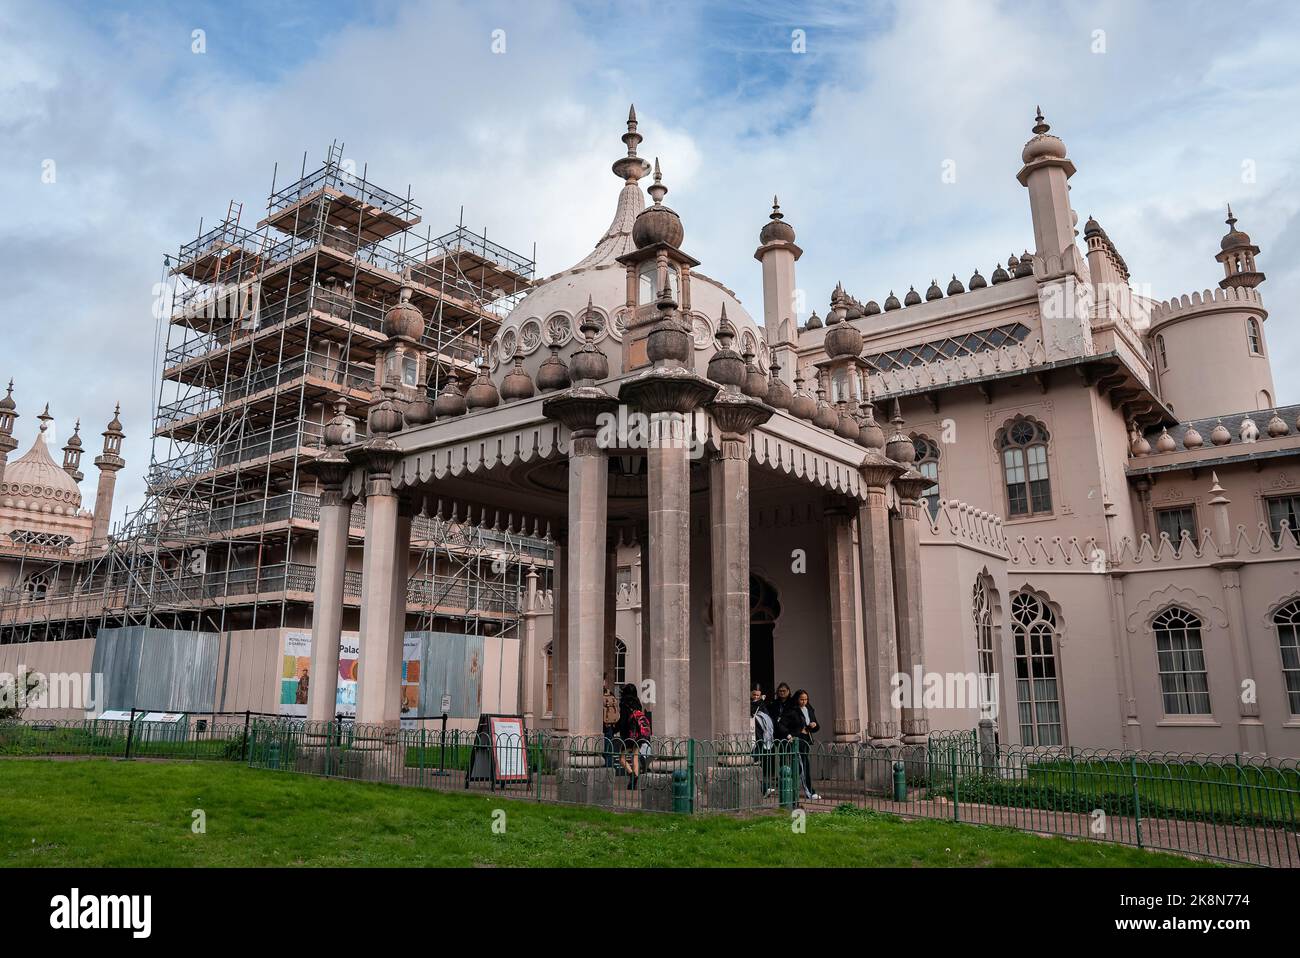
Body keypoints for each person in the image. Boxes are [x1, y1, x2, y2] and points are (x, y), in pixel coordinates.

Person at [778, 688, 821, 801]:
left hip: (806, 739)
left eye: (806, 699)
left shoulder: (809, 709)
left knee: (800, 766)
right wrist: (789, 735)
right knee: (803, 765)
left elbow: (816, 727)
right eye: (802, 699)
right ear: (797, 699)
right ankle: (809, 792)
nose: (804, 702)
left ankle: (790, 789)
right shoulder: (792, 710)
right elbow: (781, 725)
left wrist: (813, 725)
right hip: (796, 740)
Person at [617, 683, 651, 790]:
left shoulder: (624, 703)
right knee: (635, 758)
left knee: (622, 759)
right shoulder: (637, 703)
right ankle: (633, 783)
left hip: (628, 735)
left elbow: (623, 721)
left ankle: (632, 775)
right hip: (638, 735)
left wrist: (616, 730)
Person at [751, 685, 775, 796]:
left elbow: (768, 720)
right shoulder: (748, 705)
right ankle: (764, 788)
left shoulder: (762, 705)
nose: (756, 697)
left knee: (759, 765)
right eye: (754, 694)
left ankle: (764, 788)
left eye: (758, 695)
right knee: (753, 764)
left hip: (760, 738)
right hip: (750, 739)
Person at [601, 676, 618, 769]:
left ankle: (605, 766)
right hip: (610, 724)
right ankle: (609, 766)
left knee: (602, 746)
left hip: (601, 725)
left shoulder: (596, 694)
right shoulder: (610, 693)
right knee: (609, 747)